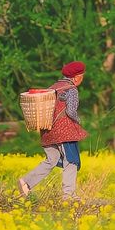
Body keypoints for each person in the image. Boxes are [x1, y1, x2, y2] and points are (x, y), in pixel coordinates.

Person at [18, 61, 89, 200]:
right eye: (82, 76)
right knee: (72, 161)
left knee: (52, 160)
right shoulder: (72, 90)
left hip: (47, 132)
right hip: (65, 134)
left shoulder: (53, 88)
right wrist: (79, 121)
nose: (82, 78)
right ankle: (68, 195)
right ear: (76, 77)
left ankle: (26, 182)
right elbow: (71, 111)